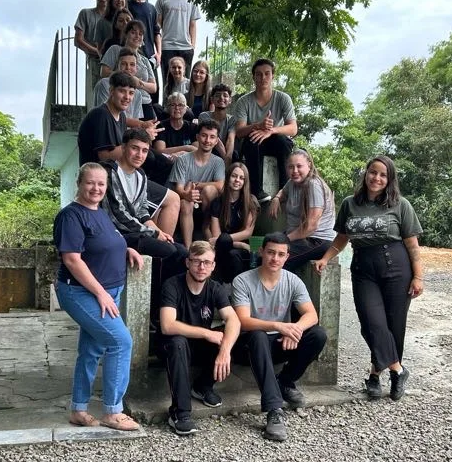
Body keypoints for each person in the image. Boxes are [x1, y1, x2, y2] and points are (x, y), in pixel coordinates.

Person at [313, 155, 423, 402]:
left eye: (383, 175)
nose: (377, 178)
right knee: (372, 323)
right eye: (373, 172)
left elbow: (412, 246)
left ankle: (376, 375)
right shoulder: (350, 204)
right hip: (364, 269)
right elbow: (342, 238)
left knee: (394, 326)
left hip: (397, 266)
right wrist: (325, 257)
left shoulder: (401, 205)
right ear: (366, 174)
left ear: (389, 180)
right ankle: (398, 369)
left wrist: (418, 276)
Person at [53, 163, 143, 431]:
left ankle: (78, 410)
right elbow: (71, 259)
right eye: (90, 183)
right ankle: (113, 411)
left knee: (91, 350)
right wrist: (101, 293)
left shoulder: (100, 212)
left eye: (101, 184)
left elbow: (107, 240)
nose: (96, 188)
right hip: (82, 292)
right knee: (120, 342)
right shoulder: (71, 216)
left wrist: (126, 250)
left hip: (107, 291)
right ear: (79, 184)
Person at [232, 233, 327, 442]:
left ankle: (285, 381)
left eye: (280, 254)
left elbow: (311, 315)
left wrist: (296, 329)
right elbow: (243, 321)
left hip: (279, 343)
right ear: (262, 252)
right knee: (257, 335)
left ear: (287, 257)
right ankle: (274, 409)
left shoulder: (292, 281)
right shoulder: (243, 281)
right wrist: (279, 326)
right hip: (248, 345)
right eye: (271, 253)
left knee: (318, 334)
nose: (275, 258)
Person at [78, 71, 179, 236]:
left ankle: (156, 250)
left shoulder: (120, 116)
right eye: (122, 91)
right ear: (111, 91)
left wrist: (143, 127)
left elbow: (128, 128)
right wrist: (144, 139)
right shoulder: (101, 115)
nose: (127, 96)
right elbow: (105, 157)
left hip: (122, 177)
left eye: (131, 93)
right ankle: (161, 253)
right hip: (107, 181)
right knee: (172, 200)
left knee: (159, 203)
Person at [159, 241, 241, 435]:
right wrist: (206, 333)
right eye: (196, 261)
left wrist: (225, 351)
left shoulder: (215, 288)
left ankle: (203, 386)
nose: (201, 267)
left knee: (231, 335)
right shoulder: (172, 285)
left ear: (213, 266)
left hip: (197, 347)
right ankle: (180, 413)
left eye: (207, 262)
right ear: (187, 262)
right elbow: (167, 325)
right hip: (172, 347)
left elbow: (234, 320)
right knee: (178, 342)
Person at [101, 128, 188, 281]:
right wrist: (153, 234)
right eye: (134, 148)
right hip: (117, 234)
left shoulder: (140, 175)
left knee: (181, 251)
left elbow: (142, 211)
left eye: (144, 150)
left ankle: (169, 301)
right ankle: (156, 299)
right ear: (123, 147)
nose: (139, 155)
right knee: (168, 251)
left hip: (136, 232)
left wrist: (159, 232)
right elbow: (117, 214)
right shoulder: (109, 172)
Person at [233, 58, 297, 202]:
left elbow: (293, 129)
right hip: (254, 143)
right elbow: (239, 131)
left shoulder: (283, 98)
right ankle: (256, 191)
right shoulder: (244, 101)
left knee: (284, 141)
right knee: (252, 137)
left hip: (275, 140)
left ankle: (285, 189)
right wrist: (257, 125)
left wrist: (271, 130)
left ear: (273, 76)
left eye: (267, 74)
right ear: (253, 77)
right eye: (259, 74)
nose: (263, 78)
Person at [268, 148, 336, 271]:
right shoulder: (292, 182)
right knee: (266, 246)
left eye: (299, 166)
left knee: (277, 260)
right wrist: (277, 198)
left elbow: (311, 227)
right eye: (290, 167)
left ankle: (280, 289)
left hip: (317, 239)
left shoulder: (313, 185)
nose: (295, 171)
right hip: (299, 236)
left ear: (309, 165)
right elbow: (283, 191)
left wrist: (285, 239)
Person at [168, 118, 226, 247]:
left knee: (209, 190)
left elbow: (220, 185)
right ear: (197, 137)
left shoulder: (218, 162)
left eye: (212, 137)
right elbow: (179, 189)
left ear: (216, 141)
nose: (207, 140)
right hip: (187, 205)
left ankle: (205, 231)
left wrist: (196, 184)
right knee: (185, 202)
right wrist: (187, 195)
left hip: (208, 206)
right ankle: (188, 248)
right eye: (204, 136)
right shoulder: (183, 160)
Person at [207, 163, 258, 283]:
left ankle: (236, 289)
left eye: (241, 178)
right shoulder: (217, 203)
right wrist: (239, 244)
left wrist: (227, 239)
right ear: (228, 177)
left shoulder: (251, 202)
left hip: (246, 247)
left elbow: (248, 232)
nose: (237, 180)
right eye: (234, 176)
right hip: (225, 247)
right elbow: (217, 238)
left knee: (233, 254)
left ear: (245, 181)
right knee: (225, 244)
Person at [156, 0, 201, 94]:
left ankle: (185, 111)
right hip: (167, 46)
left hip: (185, 47)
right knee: (168, 81)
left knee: (186, 83)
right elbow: (158, 25)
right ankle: (166, 110)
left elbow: (192, 25)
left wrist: (192, 46)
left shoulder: (191, 0)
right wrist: (158, 48)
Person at [101, 20, 158, 120]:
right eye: (133, 32)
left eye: (140, 34)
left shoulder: (145, 60)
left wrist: (139, 83)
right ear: (126, 34)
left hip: (144, 102)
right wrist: (124, 77)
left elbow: (153, 87)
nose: (137, 36)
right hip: (123, 100)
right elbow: (104, 72)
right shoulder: (115, 50)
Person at [74, 0, 111, 110]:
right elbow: (78, 40)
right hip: (95, 61)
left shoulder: (115, 17)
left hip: (113, 62)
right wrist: (98, 52)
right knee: (96, 96)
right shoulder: (86, 14)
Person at [126, 0, 161, 101]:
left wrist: (159, 53)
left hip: (150, 54)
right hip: (134, 53)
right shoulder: (127, 6)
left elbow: (157, 32)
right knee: (133, 88)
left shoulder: (151, 8)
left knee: (153, 89)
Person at [92, 48, 145, 124]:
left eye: (132, 64)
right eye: (123, 64)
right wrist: (142, 125)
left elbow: (135, 122)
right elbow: (105, 116)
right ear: (117, 66)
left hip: (127, 134)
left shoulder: (137, 93)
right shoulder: (104, 84)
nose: (128, 68)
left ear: (136, 68)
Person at [199, 83, 236, 162]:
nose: (221, 98)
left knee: (235, 154)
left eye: (225, 95)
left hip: (226, 152)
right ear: (212, 99)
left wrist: (228, 157)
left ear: (230, 100)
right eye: (218, 95)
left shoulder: (232, 120)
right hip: (209, 151)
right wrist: (226, 160)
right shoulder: (204, 116)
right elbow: (215, 139)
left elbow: (231, 139)